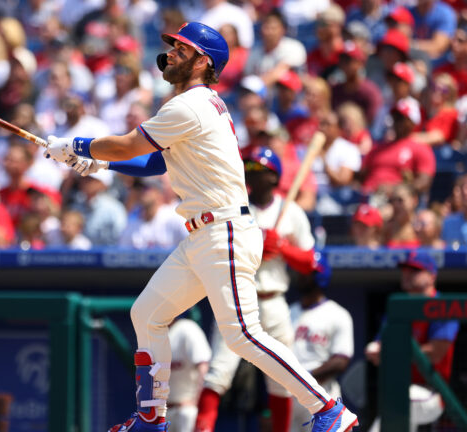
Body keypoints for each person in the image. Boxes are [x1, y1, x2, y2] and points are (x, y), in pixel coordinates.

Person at [43, 22, 358, 432]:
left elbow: (129, 145)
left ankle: (328, 408)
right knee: (147, 314)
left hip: (223, 230)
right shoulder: (193, 105)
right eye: (172, 45)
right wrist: (100, 162)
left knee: (242, 334)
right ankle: (151, 418)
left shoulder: (189, 105)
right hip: (203, 234)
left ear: (202, 61)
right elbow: (155, 161)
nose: (172, 52)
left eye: (182, 47)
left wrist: (78, 146)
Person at [198, 147, 317, 432]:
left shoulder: (292, 212)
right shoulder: (232, 208)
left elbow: (310, 262)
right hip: (236, 298)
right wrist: (255, 248)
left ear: (274, 177)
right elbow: (214, 252)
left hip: (273, 300)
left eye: (258, 169)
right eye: (249, 168)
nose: (251, 173)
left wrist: (283, 247)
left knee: (282, 379)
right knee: (218, 374)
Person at [365, 250, 459, 432]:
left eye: (415, 270)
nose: (407, 274)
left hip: (432, 392)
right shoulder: (397, 308)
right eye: (405, 270)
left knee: (399, 403)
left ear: (432, 276)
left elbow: (436, 353)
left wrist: (392, 353)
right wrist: (377, 351)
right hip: (402, 387)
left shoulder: (442, 307)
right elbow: (379, 349)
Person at [289, 254, 354, 431]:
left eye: (307, 272)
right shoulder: (287, 312)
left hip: (322, 393)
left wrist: (304, 378)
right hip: (289, 395)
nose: (301, 275)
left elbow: (340, 361)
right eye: (301, 271)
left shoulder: (338, 314)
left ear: (320, 276)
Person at [165, 317, 212, 432]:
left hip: (186, 411)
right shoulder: (155, 334)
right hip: (165, 411)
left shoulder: (187, 328)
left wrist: (197, 402)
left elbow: (204, 367)